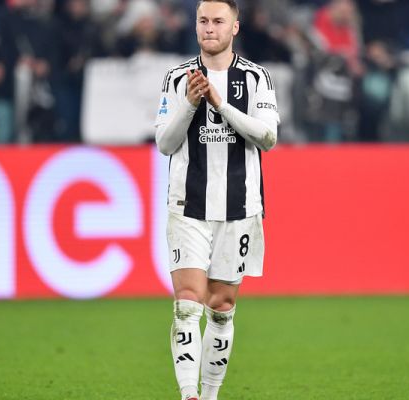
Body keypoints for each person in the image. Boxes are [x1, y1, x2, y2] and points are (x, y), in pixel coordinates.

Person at [154, 1, 280, 399]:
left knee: (221, 307)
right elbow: (164, 143)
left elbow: (268, 137)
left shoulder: (256, 78)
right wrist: (191, 103)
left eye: (218, 21)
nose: (209, 28)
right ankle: (189, 394)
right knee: (188, 302)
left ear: (235, 27)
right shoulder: (177, 79)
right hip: (188, 205)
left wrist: (220, 105)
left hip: (240, 208)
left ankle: (209, 395)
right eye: (203, 21)